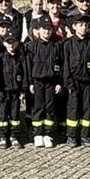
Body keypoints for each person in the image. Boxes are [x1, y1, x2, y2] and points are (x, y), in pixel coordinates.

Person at [61, 10, 90, 147]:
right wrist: (69, 83)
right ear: (74, 27)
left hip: (88, 82)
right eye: (80, 25)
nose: (83, 28)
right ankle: (71, 136)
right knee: (73, 110)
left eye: (85, 25)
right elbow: (65, 65)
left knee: (86, 110)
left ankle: (85, 136)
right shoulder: (67, 44)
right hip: (73, 82)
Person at [24, 17, 64, 147]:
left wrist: (59, 82)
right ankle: (38, 134)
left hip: (51, 82)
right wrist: (29, 83)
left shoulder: (56, 46)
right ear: (38, 31)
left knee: (50, 108)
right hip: (37, 82)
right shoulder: (31, 47)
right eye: (44, 29)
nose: (46, 32)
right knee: (38, 108)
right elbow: (28, 67)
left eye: (49, 29)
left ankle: (48, 134)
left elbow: (59, 65)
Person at [0, 18, 24, 148]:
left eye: (13, 42)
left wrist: (22, 89)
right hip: (3, 90)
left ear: (17, 43)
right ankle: (3, 136)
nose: (11, 45)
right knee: (2, 114)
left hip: (15, 90)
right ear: (4, 43)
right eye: (8, 42)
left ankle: (14, 135)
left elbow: (23, 73)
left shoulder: (20, 57)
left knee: (15, 114)